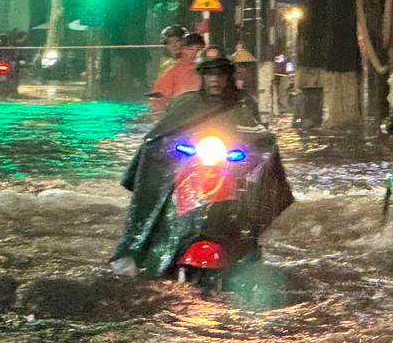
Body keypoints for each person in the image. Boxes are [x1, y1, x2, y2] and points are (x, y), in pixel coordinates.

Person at [111, 45, 294, 277]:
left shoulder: (244, 103)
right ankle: (147, 246)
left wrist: (254, 153)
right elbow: (161, 137)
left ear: (228, 75)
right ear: (202, 77)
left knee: (250, 196)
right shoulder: (184, 104)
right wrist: (169, 150)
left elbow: (258, 138)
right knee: (162, 189)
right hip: (191, 171)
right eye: (209, 74)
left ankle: (243, 244)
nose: (215, 79)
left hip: (230, 172)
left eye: (219, 73)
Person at [149, 25, 206, 118]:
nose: (174, 45)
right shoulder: (169, 69)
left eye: (177, 41)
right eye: (169, 43)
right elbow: (160, 95)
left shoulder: (208, 64)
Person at [230, 44, 262, 123]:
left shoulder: (253, 80)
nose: (239, 70)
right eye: (236, 66)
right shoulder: (231, 82)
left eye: (242, 66)